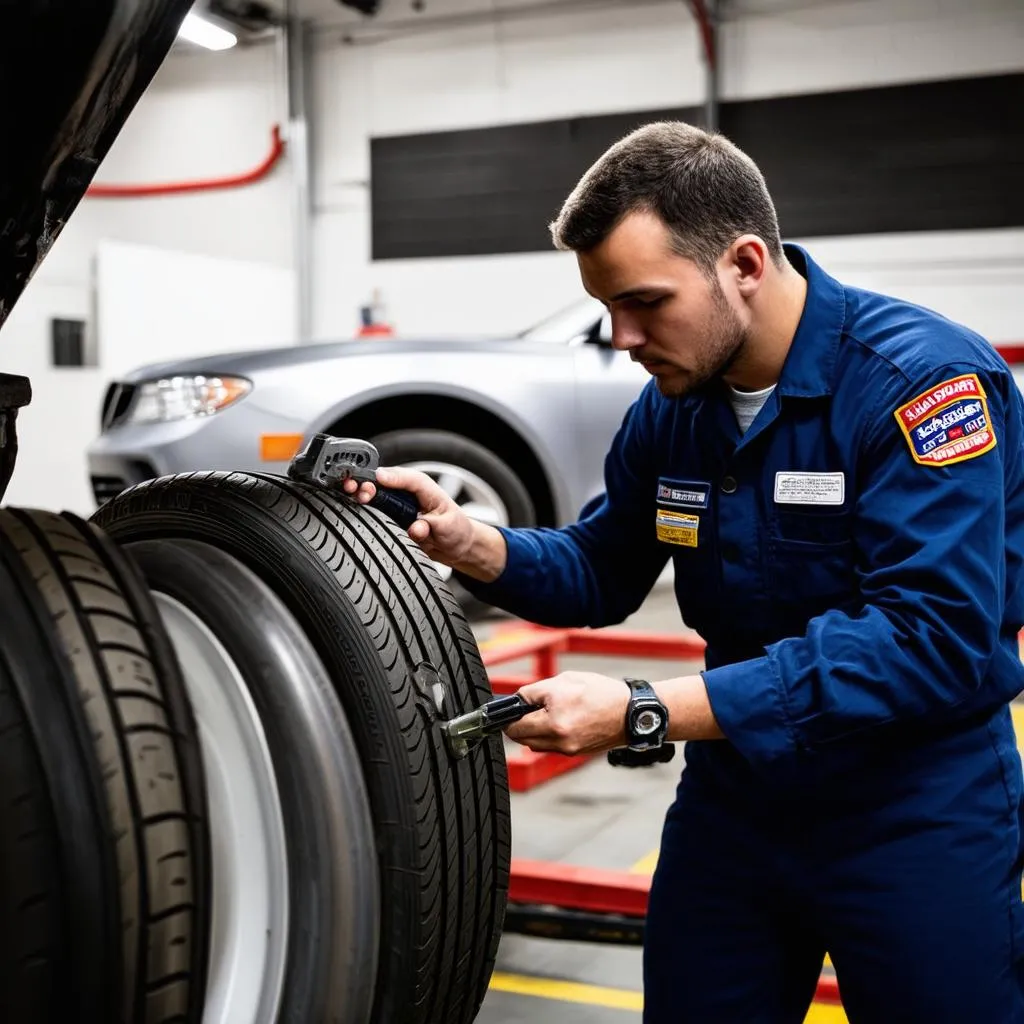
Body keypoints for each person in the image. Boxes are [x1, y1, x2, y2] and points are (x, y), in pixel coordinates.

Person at [344, 120, 1024, 1023]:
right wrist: (468, 540)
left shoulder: (919, 383)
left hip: (915, 804)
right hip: (736, 801)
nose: (622, 336)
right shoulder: (674, 409)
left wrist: (644, 710)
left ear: (743, 262)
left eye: (644, 301)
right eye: (605, 308)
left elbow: (927, 638)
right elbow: (601, 565)